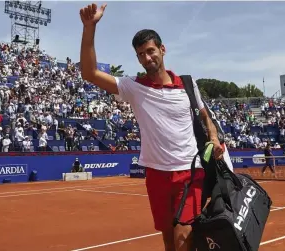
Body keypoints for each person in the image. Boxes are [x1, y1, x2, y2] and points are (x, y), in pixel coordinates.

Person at [79, 3, 233, 251]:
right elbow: (89, 73)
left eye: (150, 51)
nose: (146, 58)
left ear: (162, 49)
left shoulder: (187, 83)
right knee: (168, 240)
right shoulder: (133, 87)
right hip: (156, 176)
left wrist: (214, 137)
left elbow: (206, 117)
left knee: (183, 237)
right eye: (140, 54)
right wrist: (90, 27)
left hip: (189, 172)